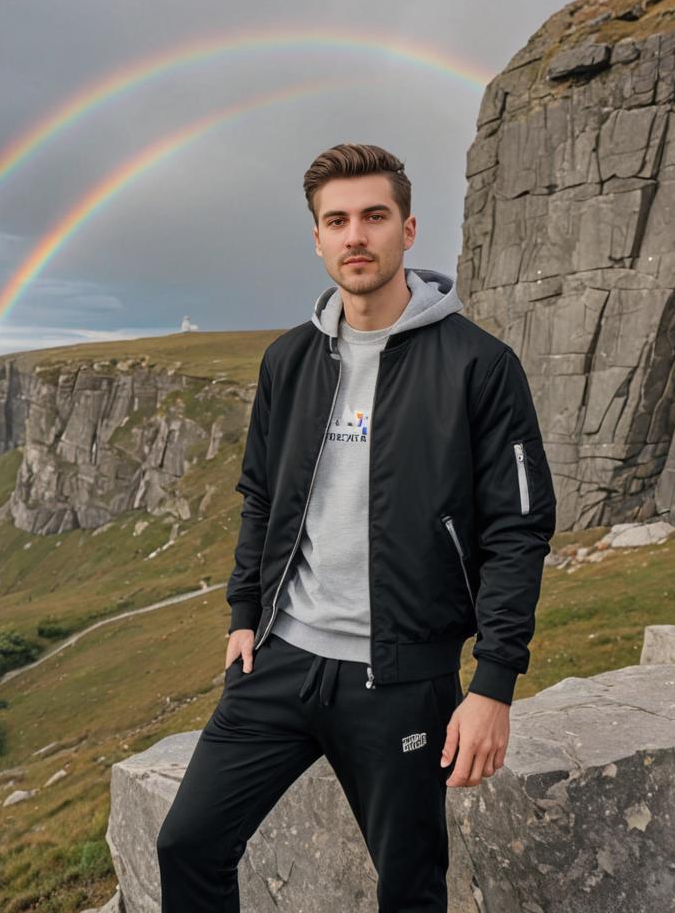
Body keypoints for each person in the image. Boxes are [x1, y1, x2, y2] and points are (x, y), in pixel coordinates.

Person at [156, 142, 557, 911]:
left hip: (402, 682)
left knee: (409, 886)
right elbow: (259, 495)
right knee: (188, 845)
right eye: (336, 221)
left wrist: (494, 683)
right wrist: (245, 613)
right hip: (279, 662)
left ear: (409, 230)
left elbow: (519, 527)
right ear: (316, 238)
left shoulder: (480, 365)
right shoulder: (288, 361)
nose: (355, 236)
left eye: (374, 216)